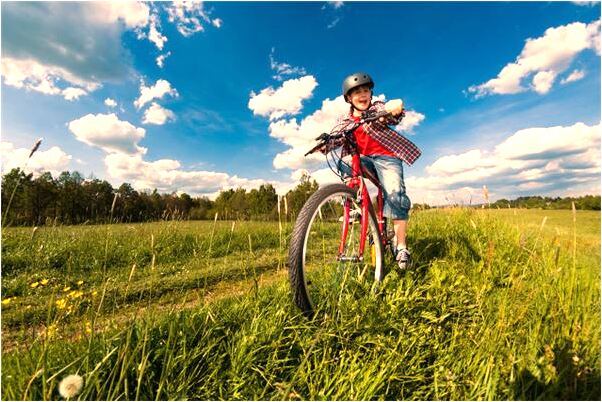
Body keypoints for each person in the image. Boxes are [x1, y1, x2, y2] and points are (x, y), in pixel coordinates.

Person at [323, 72, 422, 269]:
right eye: (356, 92)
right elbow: (335, 137)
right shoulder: (345, 119)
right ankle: (356, 207)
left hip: (387, 158)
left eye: (365, 90)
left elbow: (392, 113)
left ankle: (401, 246)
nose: (362, 95)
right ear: (348, 98)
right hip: (363, 159)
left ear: (370, 93)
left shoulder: (377, 108)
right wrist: (324, 143)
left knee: (394, 193)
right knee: (343, 162)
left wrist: (395, 106)